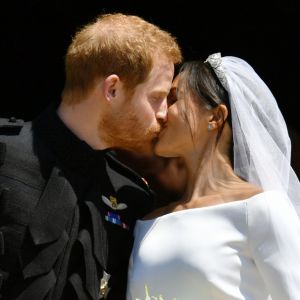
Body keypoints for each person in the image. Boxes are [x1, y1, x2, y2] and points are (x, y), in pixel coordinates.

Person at [0, 13, 182, 300]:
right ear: (112, 89)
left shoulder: (134, 197)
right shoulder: (4, 155)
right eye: (156, 97)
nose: (164, 113)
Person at [126, 53, 300, 299]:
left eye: (174, 98)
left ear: (215, 117)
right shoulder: (147, 224)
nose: (162, 112)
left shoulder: (261, 209)